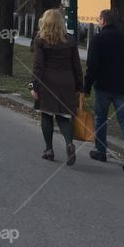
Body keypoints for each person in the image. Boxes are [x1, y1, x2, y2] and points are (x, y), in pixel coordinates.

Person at [84, 8, 124, 172]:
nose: (98, 22)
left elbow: (92, 66)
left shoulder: (98, 39)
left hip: (103, 86)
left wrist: (87, 87)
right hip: (122, 87)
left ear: (103, 21)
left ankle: (101, 151)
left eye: (98, 19)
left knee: (100, 118)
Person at [31, 9, 83, 164]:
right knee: (63, 116)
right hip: (67, 81)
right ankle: (69, 143)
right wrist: (80, 86)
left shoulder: (41, 40)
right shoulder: (71, 40)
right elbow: (76, 65)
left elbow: (38, 66)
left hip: (48, 81)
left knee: (47, 115)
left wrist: (33, 85)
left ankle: (49, 149)